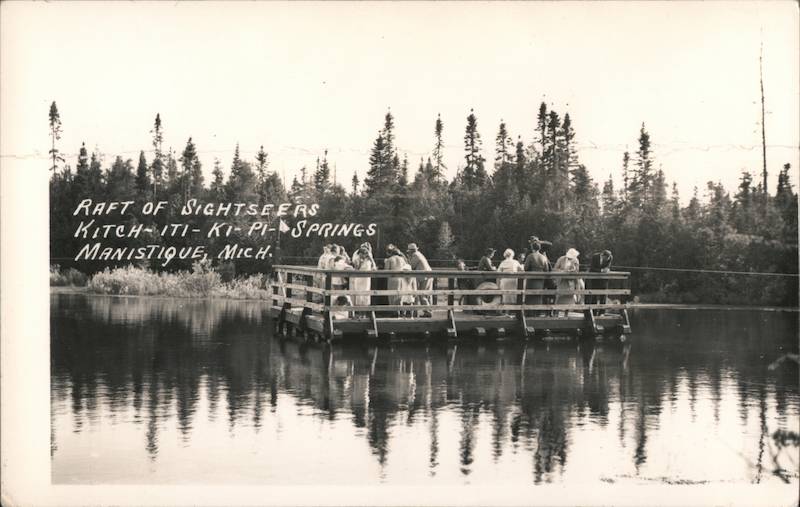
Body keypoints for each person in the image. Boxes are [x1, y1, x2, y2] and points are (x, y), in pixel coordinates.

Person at [384, 244, 416, 316]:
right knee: (399, 295)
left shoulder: (390, 259)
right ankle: (400, 311)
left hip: (393, 279)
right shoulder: (402, 259)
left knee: (392, 295)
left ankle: (394, 312)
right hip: (401, 279)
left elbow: (386, 270)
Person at [524, 238, 550, 316]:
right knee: (538, 295)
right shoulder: (544, 257)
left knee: (530, 295)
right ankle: (537, 313)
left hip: (532, 278)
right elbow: (547, 269)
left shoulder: (530, 256)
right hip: (540, 279)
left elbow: (525, 268)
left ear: (532, 248)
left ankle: (529, 313)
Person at [407, 243, 433, 317]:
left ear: (411, 251)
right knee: (426, 295)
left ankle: (428, 312)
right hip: (427, 275)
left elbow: (411, 266)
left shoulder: (415, 255)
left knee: (422, 295)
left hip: (424, 276)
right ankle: (428, 311)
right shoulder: (419, 254)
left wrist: (408, 257)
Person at [553, 248, 580, 317]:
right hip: (562, 281)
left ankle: (566, 314)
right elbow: (555, 268)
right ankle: (556, 313)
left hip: (570, 282)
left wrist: (573, 271)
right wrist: (563, 272)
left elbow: (577, 271)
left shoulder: (576, 260)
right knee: (559, 297)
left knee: (569, 298)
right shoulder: (561, 259)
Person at [350, 242, 376, 314]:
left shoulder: (369, 259)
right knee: (359, 294)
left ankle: (364, 311)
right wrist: (360, 261)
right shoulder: (357, 258)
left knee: (366, 294)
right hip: (359, 278)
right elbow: (356, 268)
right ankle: (359, 312)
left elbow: (374, 267)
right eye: (363, 253)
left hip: (366, 279)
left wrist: (371, 259)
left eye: (366, 253)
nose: (365, 255)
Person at [587, 249, 613, 314]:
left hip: (604, 279)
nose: (607, 259)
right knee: (594, 296)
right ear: (602, 255)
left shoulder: (610, 258)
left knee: (603, 296)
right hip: (595, 279)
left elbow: (607, 266)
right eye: (606, 258)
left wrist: (607, 270)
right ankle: (594, 312)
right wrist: (601, 271)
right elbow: (592, 268)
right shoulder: (595, 256)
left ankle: (602, 313)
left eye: (608, 258)